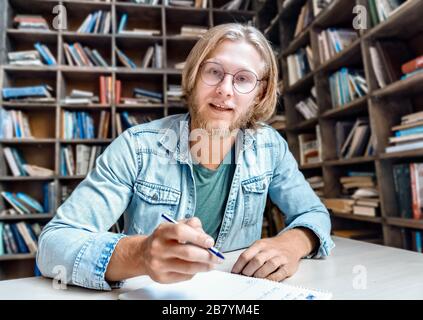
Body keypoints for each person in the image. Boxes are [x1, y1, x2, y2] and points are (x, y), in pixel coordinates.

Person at [37, 23, 334, 290]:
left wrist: (292, 243)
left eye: (243, 79)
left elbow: (313, 213)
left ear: (260, 92)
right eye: (214, 72)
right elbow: (53, 243)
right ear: (193, 76)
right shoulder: (137, 147)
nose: (224, 90)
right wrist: (141, 255)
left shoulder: (270, 146)